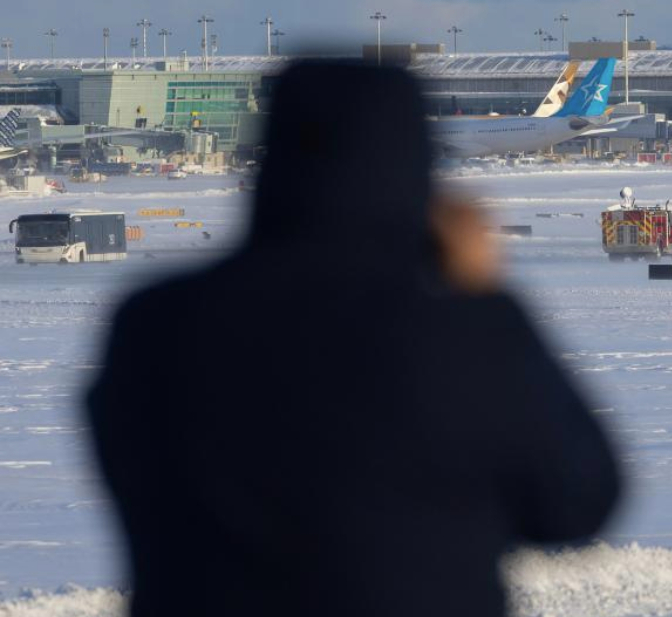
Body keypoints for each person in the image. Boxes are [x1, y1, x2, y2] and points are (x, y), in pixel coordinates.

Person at [87, 60, 621, 617]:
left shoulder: (154, 321)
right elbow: (576, 504)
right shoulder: (455, 327)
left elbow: (128, 473)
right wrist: (484, 300)